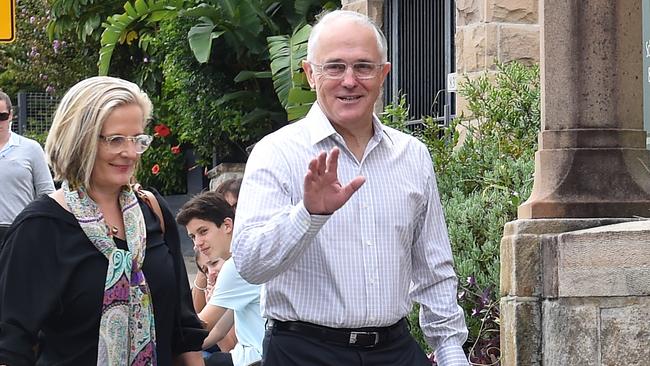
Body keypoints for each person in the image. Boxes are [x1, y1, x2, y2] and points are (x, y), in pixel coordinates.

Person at [231, 10, 469, 366]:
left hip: (395, 351)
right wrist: (308, 214)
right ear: (310, 74)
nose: (349, 80)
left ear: (383, 74)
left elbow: (434, 270)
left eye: (363, 66)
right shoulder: (277, 153)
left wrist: (452, 355)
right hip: (304, 353)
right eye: (334, 67)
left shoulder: (412, 155)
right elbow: (250, 264)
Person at [0, 76, 206, 365]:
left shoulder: (152, 211)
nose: (131, 152)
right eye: (116, 139)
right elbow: (11, 345)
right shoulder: (40, 228)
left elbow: (182, 330)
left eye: (137, 139)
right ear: (80, 139)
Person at [177, 191, 264, 366]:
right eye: (193, 236)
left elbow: (201, 327)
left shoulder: (237, 265)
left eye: (203, 231)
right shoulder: (246, 255)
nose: (198, 243)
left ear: (227, 225)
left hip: (255, 358)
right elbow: (217, 331)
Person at [0, 90, 55, 243]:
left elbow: (47, 193)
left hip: (20, 231)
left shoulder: (30, 148)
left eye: (1, 117)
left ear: (11, 115)